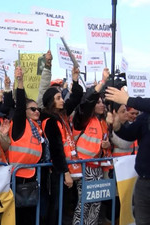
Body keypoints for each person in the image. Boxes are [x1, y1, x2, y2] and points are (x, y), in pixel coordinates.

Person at [40, 66, 83, 225]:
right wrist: (65, 173)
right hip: (57, 171)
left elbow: (77, 97)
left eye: (61, 97)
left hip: (66, 168)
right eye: (58, 98)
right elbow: (56, 150)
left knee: (63, 205)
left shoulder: (62, 114)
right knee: (56, 206)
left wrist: (75, 79)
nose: (62, 100)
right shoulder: (50, 120)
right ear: (51, 101)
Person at [105, 86, 150, 225]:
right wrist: (117, 126)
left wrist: (128, 100)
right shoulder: (146, 117)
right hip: (144, 181)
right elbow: (129, 135)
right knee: (141, 220)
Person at [9, 66, 47, 225]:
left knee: (32, 216)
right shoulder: (20, 124)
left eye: (38, 109)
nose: (37, 111)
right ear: (24, 111)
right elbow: (18, 108)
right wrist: (20, 82)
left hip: (34, 177)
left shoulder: (38, 128)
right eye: (32, 109)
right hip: (19, 178)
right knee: (21, 217)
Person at [72, 68, 110, 224]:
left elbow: (102, 145)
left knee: (96, 203)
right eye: (98, 101)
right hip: (84, 167)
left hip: (97, 168)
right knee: (84, 203)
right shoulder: (83, 119)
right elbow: (86, 102)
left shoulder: (103, 122)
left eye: (102, 101)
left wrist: (106, 146)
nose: (101, 104)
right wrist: (102, 82)